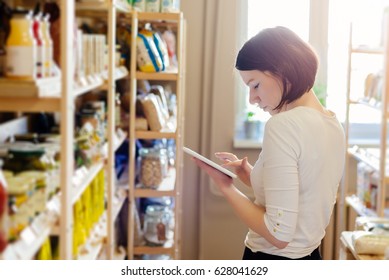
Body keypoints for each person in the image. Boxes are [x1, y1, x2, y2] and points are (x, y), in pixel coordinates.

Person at [192, 26, 345, 260]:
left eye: (255, 85)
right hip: (311, 256)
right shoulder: (332, 123)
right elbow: (302, 190)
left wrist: (226, 188)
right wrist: (248, 174)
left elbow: (278, 234)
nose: (252, 99)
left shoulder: (283, 125)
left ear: (282, 71)